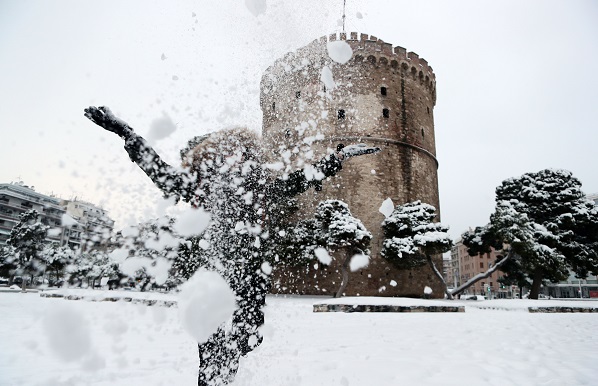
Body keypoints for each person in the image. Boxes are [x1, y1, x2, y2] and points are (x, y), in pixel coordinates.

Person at [84, 105, 380, 385]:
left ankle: (223, 365)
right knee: (214, 353)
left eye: (241, 153)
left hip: (250, 277)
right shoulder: (199, 184)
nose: (235, 158)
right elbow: (159, 170)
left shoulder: (260, 184)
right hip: (211, 278)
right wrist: (126, 133)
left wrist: (337, 158)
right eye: (228, 153)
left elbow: (301, 179)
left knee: (246, 340)